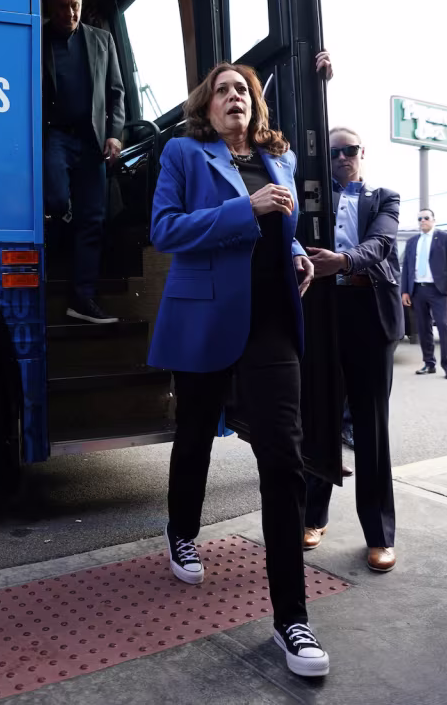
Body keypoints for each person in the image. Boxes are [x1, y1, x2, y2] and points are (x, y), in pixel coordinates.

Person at [148, 62, 328, 678]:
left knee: (282, 457)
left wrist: (300, 254)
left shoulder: (281, 160)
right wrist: (243, 209)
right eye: (224, 90)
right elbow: (165, 230)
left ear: (257, 106)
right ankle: (182, 530)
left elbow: (284, 230)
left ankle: (291, 619)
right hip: (204, 315)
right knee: (195, 435)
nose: (236, 98)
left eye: (245, 92)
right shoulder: (184, 153)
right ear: (206, 103)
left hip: (272, 321)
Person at [301, 126, 404, 573]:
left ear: (363, 153)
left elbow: (381, 243)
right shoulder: (312, 199)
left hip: (370, 314)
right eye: (334, 151)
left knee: (371, 428)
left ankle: (379, 535)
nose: (343, 157)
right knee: (319, 418)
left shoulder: (384, 197)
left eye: (350, 150)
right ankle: (312, 517)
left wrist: (342, 261)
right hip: (322, 314)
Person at [41, 0, 126, 324]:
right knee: (57, 200)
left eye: (75, 5)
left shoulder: (102, 40)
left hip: (91, 139)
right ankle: (53, 255)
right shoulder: (37, 37)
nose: (71, 14)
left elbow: (116, 94)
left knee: (93, 219)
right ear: (51, 7)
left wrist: (115, 133)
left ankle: (83, 298)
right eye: (63, 7)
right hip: (53, 135)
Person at [401, 208, 447, 379]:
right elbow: (406, 268)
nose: (423, 221)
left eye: (426, 218)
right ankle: (429, 363)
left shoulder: (444, 238)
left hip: (439, 290)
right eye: (419, 219)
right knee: (423, 328)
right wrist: (405, 291)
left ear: (433, 220)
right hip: (418, 290)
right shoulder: (412, 242)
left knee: (443, 326)